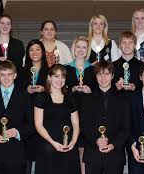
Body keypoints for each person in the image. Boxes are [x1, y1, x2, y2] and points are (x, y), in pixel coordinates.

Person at [0, 60, 34, 174]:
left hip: (16, 153)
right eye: (2, 75)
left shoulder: (25, 96)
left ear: (15, 75)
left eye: (9, 74)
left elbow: (32, 125)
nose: (6, 78)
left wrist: (17, 132)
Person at [80, 61, 131, 174]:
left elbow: (126, 128)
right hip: (93, 154)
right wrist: (96, 140)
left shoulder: (123, 99)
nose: (103, 78)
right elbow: (83, 126)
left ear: (113, 76)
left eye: (107, 74)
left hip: (115, 155)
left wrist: (113, 145)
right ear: (95, 76)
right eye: (99, 74)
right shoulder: (86, 99)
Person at [34, 64, 80, 174]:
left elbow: (76, 123)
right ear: (49, 77)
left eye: (63, 77)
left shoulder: (70, 97)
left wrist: (73, 142)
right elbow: (38, 124)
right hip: (48, 143)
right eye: (56, 76)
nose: (60, 80)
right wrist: (52, 142)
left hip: (68, 144)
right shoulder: (41, 97)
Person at [65, 36, 93, 174]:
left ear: (87, 50)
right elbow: (61, 90)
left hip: (87, 114)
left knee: (83, 149)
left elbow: (98, 92)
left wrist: (90, 91)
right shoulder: (66, 68)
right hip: (70, 112)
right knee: (70, 148)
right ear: (73, 49)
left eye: (84, 47)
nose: (81, 50)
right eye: (78, 47)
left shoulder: (93, 69)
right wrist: (72, 89)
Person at [23, 39, 49, 174]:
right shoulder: (22, 71)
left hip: (44, 114)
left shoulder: (49, 70)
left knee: (42, 151)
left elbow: (56, 90)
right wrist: (26, 89)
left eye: (38, 49)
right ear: (28, 53)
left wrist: (44, 89)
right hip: (26, 114)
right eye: (31, 49)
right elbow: (17, 91)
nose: (34, 52)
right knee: (26, 153)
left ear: (43, 52)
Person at [114, 31, 143, 95]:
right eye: (124, 43)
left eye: (130, 42)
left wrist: (134, 88)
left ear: (135, 45)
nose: (127, 46)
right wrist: (116, 87)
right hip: (118, 101)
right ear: (119, 46)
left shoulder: (142, 66)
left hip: (136, 102)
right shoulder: (112, 66)